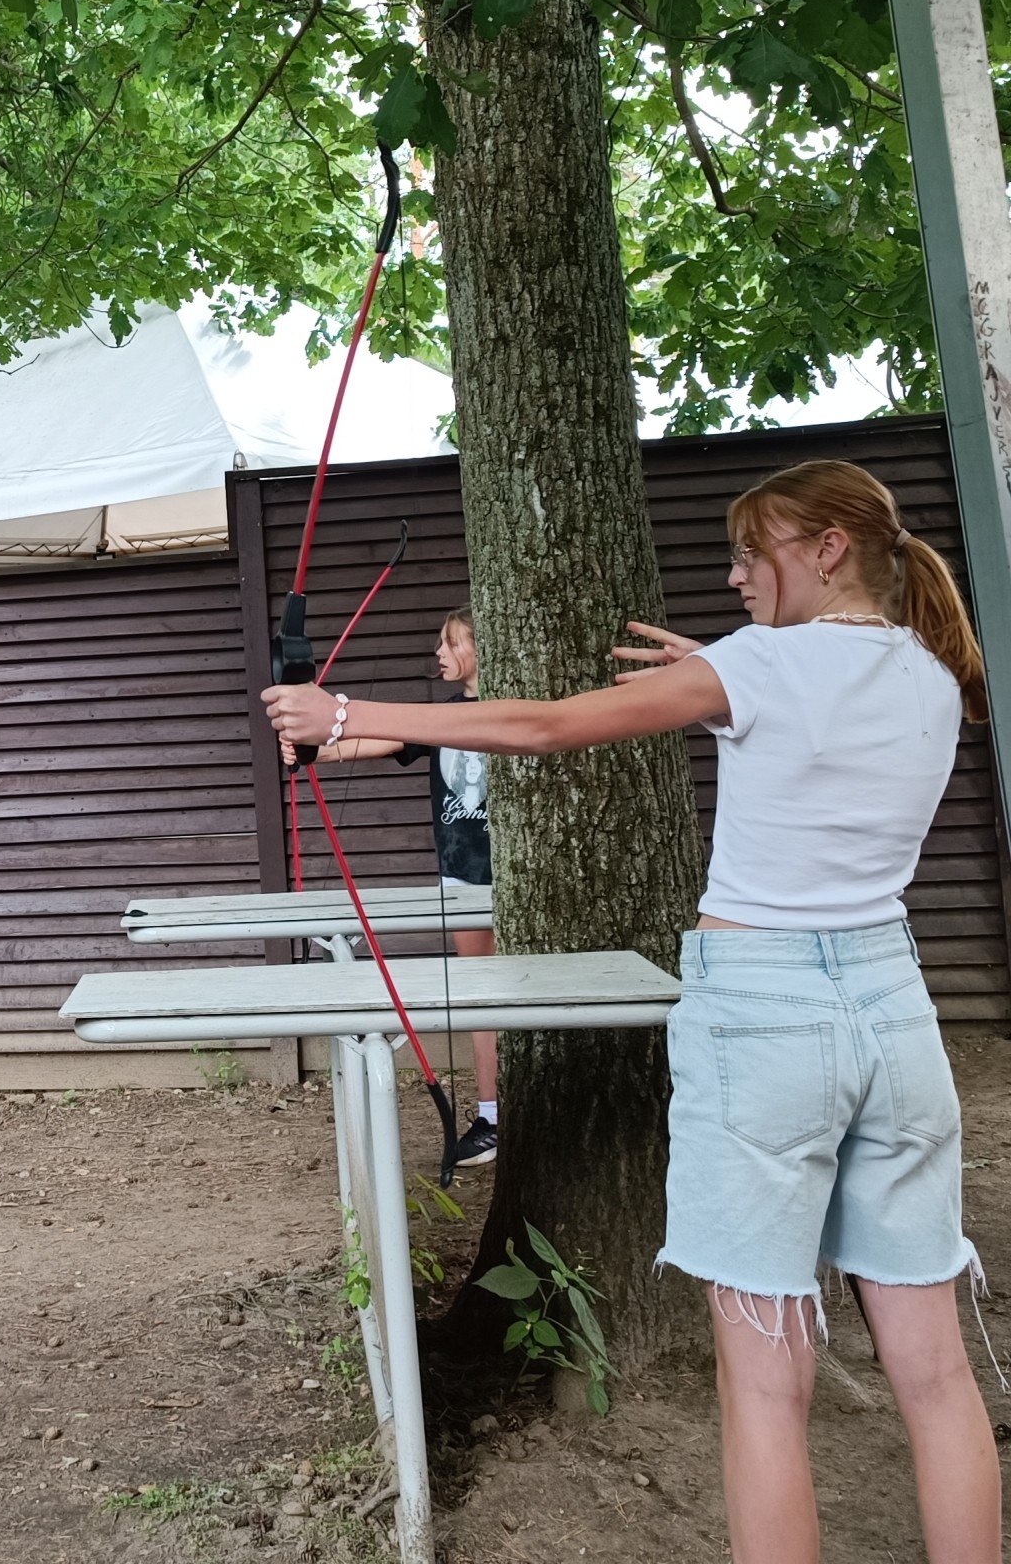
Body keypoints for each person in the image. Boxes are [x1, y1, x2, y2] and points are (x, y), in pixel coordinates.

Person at [262, 459, 1000, 1564]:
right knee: (937, 1375)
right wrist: (724, 671)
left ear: (826, 548)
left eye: (752, 553)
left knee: (764, 1382)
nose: (736, 575)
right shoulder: (928, 669)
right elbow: (818, 721)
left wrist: (343, 711)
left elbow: (549, 724)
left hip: (764, 1016)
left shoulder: (759, 665)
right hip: (894, 1012)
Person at [280, 606, 500, 1167]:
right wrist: (313, 746)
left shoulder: (511, 712)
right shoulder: (441, 717)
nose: (440, 653)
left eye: (452, 642)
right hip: (465, 874)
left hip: (518, 876)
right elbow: (368, 739)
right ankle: (492, 1118)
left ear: (485, 645)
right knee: (481, 995)